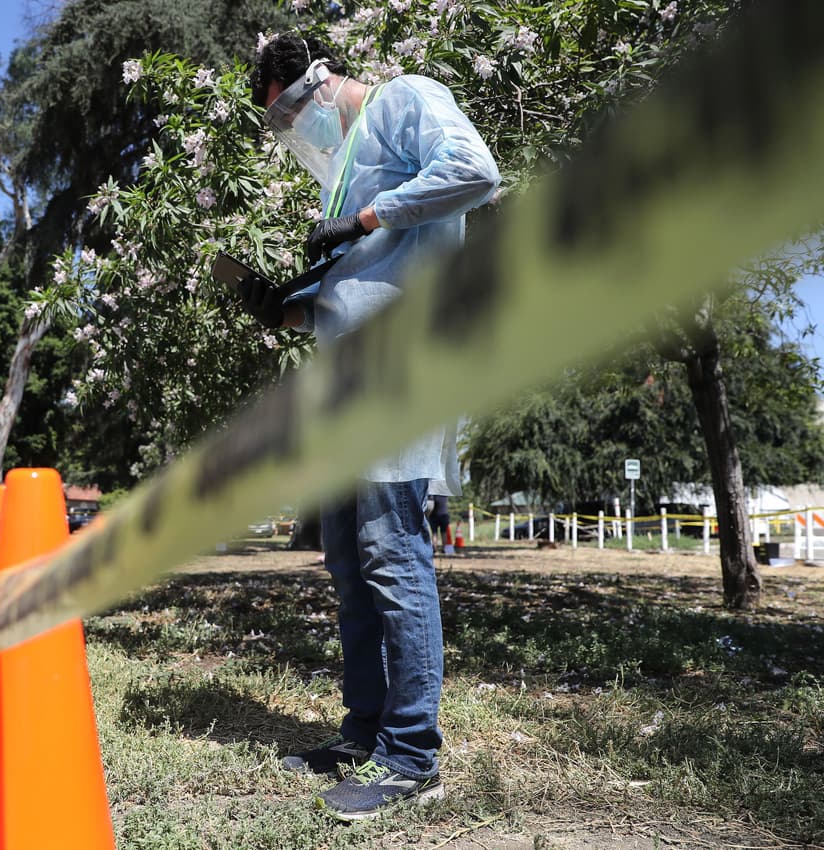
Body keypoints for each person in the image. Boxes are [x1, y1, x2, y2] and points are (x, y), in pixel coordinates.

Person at [243, 36, 500, 820]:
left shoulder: (403, 100)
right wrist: (284, 307)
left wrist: (363, 217)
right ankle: (364, 732)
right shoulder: (339, 173)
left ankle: (412, 752)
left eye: (288, 113)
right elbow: (354, 279)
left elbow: (476, 173)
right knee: (351, 562)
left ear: (317, 84)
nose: (291, 133)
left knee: (393, 555)